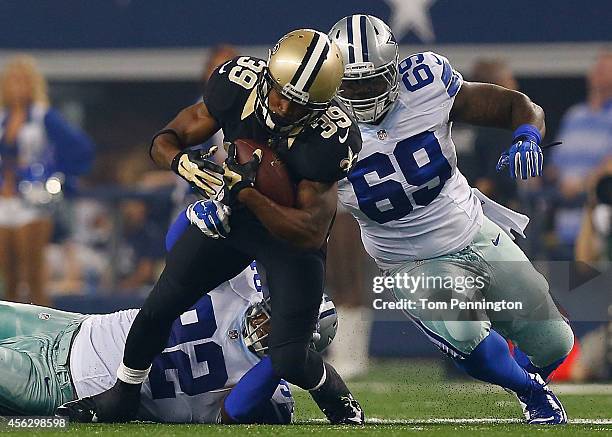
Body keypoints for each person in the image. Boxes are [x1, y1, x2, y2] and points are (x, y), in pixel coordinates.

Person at [60, 29, 364, 424]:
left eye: (299, 106)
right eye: (280, 95)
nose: (285, 110)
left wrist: (249, 193)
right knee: (159, 306)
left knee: (288, 355)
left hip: (287, 237)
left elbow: (308, 231)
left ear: (322, 108)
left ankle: (336, 396)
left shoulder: (330, 138)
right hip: (234, 220)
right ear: (268, 75)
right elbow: (167, 139)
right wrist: (182, 164)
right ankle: (123, 393)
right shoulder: (236, 84)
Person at [328, 15, 574, 424]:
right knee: (466, 334)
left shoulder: (427, 84)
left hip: (473, 229)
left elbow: (518, 106)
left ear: (393, 70)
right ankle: (532, 393)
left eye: (371, 82)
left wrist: (527, 135)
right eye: (351, 85)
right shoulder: (319, 128)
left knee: (555, 343)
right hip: (410, 260)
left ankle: (523, 375)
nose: (362, 94)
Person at [0, 55, 95, 306]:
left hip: (33, 201)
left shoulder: (44, 116)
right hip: (4, 200)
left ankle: (42, 335)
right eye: (12, 81)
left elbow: (81, 148)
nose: (17, 86)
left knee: (32, 275)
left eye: (23, 80)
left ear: (32, 85)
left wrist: (56, 175)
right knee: (7, 277)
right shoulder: (2, 119)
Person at [549, 51, 612, 258]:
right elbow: (556, 164)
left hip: (600, 232)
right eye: (598, 68)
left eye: (606, 69)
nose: (599, 74)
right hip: (564, 227)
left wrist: (584, 184)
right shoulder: (574, 116)